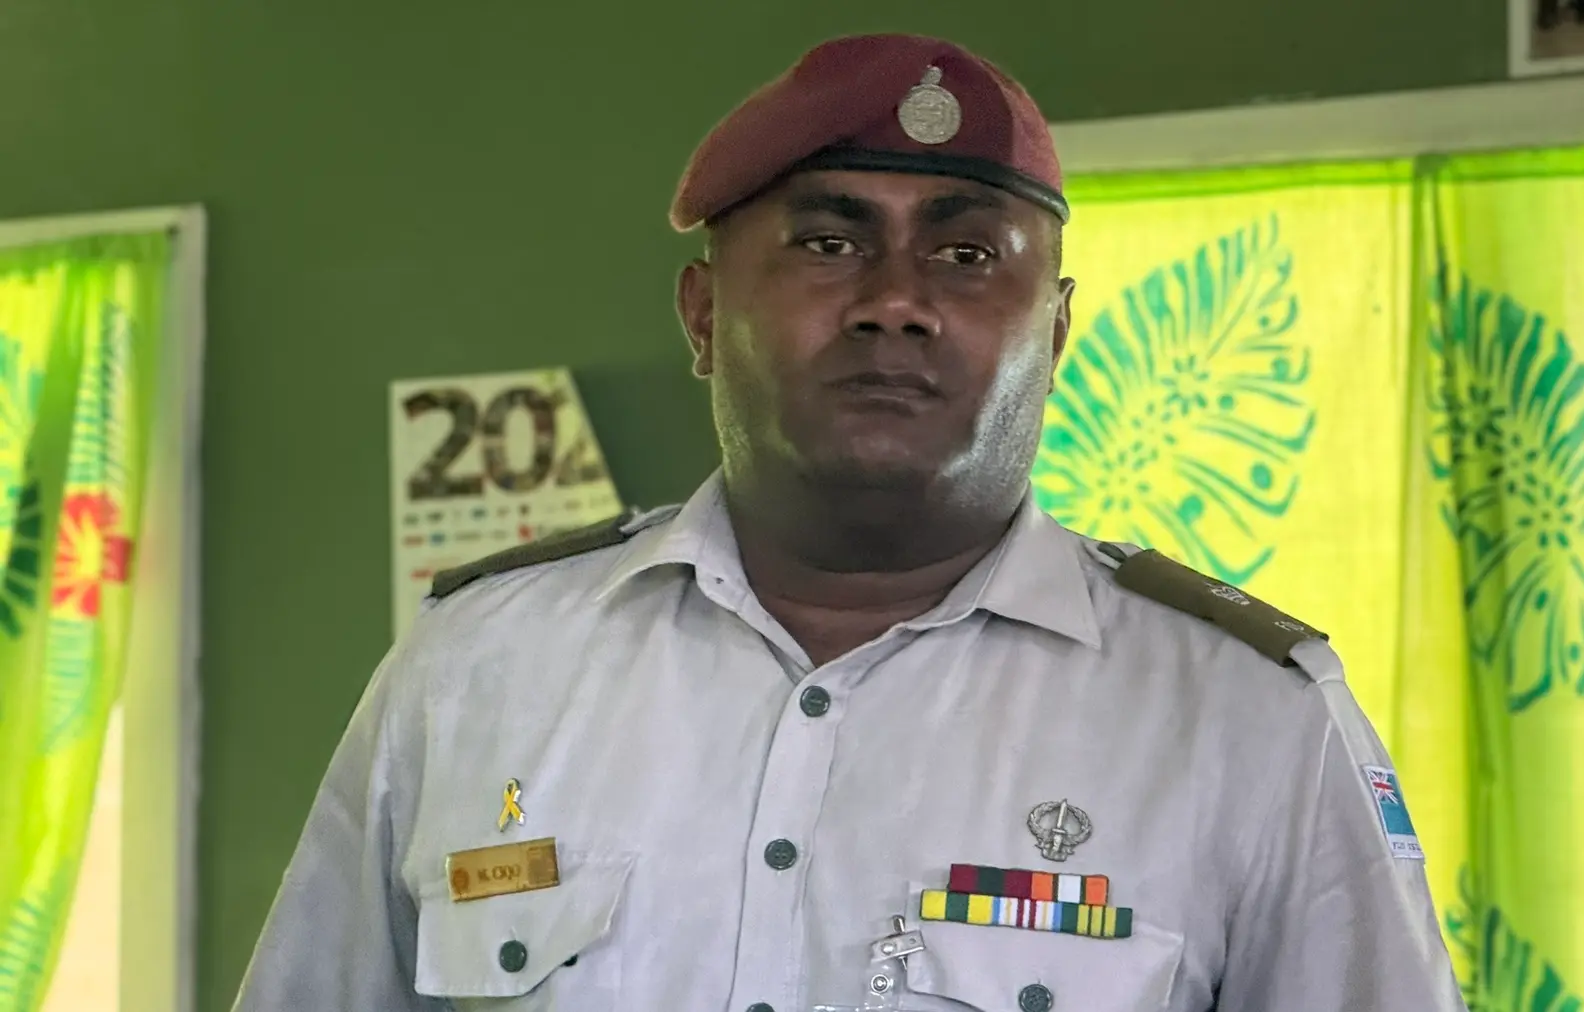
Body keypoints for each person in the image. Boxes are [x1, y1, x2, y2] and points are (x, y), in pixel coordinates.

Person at [233, 32, 1466, 1012]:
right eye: (829, 241)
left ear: (1058, 331)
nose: (895, 302)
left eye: (971, 256)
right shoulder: (477, 671)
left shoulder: (1248, 719)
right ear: (704, 316)